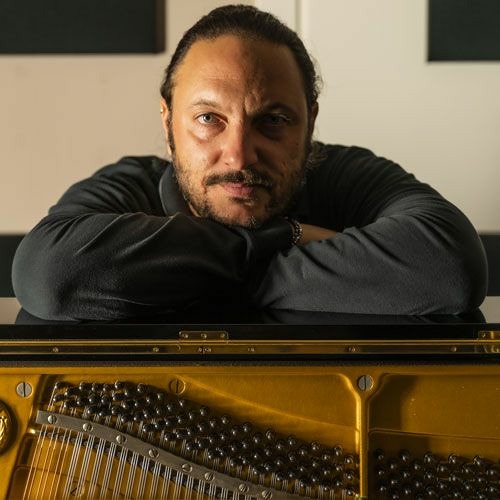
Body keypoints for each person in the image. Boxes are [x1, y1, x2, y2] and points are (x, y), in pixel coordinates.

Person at [12, 5, 487, 320]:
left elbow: (451, 268)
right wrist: (286, 238)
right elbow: (49, 276)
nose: (239, 155)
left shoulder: (345, 175)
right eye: (208, 119)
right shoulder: (127, 188)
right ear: (167, 122)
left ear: (310, 123)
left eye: (273, 120)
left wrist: (187, 275)